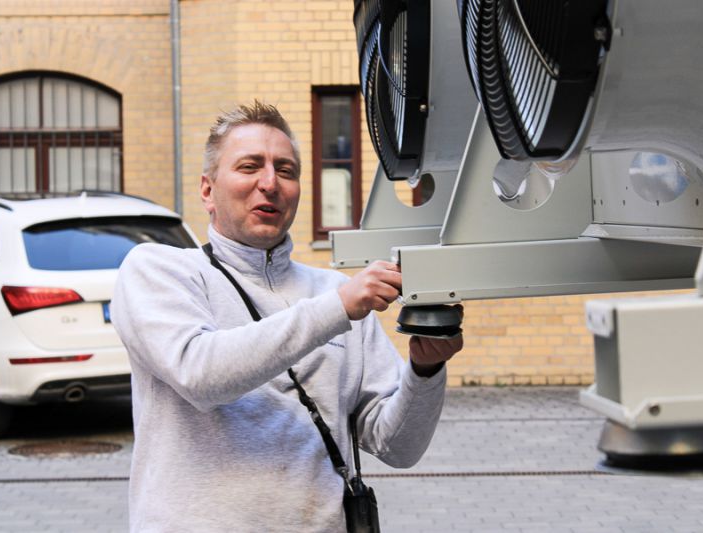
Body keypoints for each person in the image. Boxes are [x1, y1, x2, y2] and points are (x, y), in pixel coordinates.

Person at [111, 101, 463, 532]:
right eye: (249, 166)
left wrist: (425, 370)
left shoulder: (333, 291)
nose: (270, 183)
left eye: (286, 170)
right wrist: (338, 309)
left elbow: (397, 446)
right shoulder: (160, 270)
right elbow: (199, 374)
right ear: (207, 190)